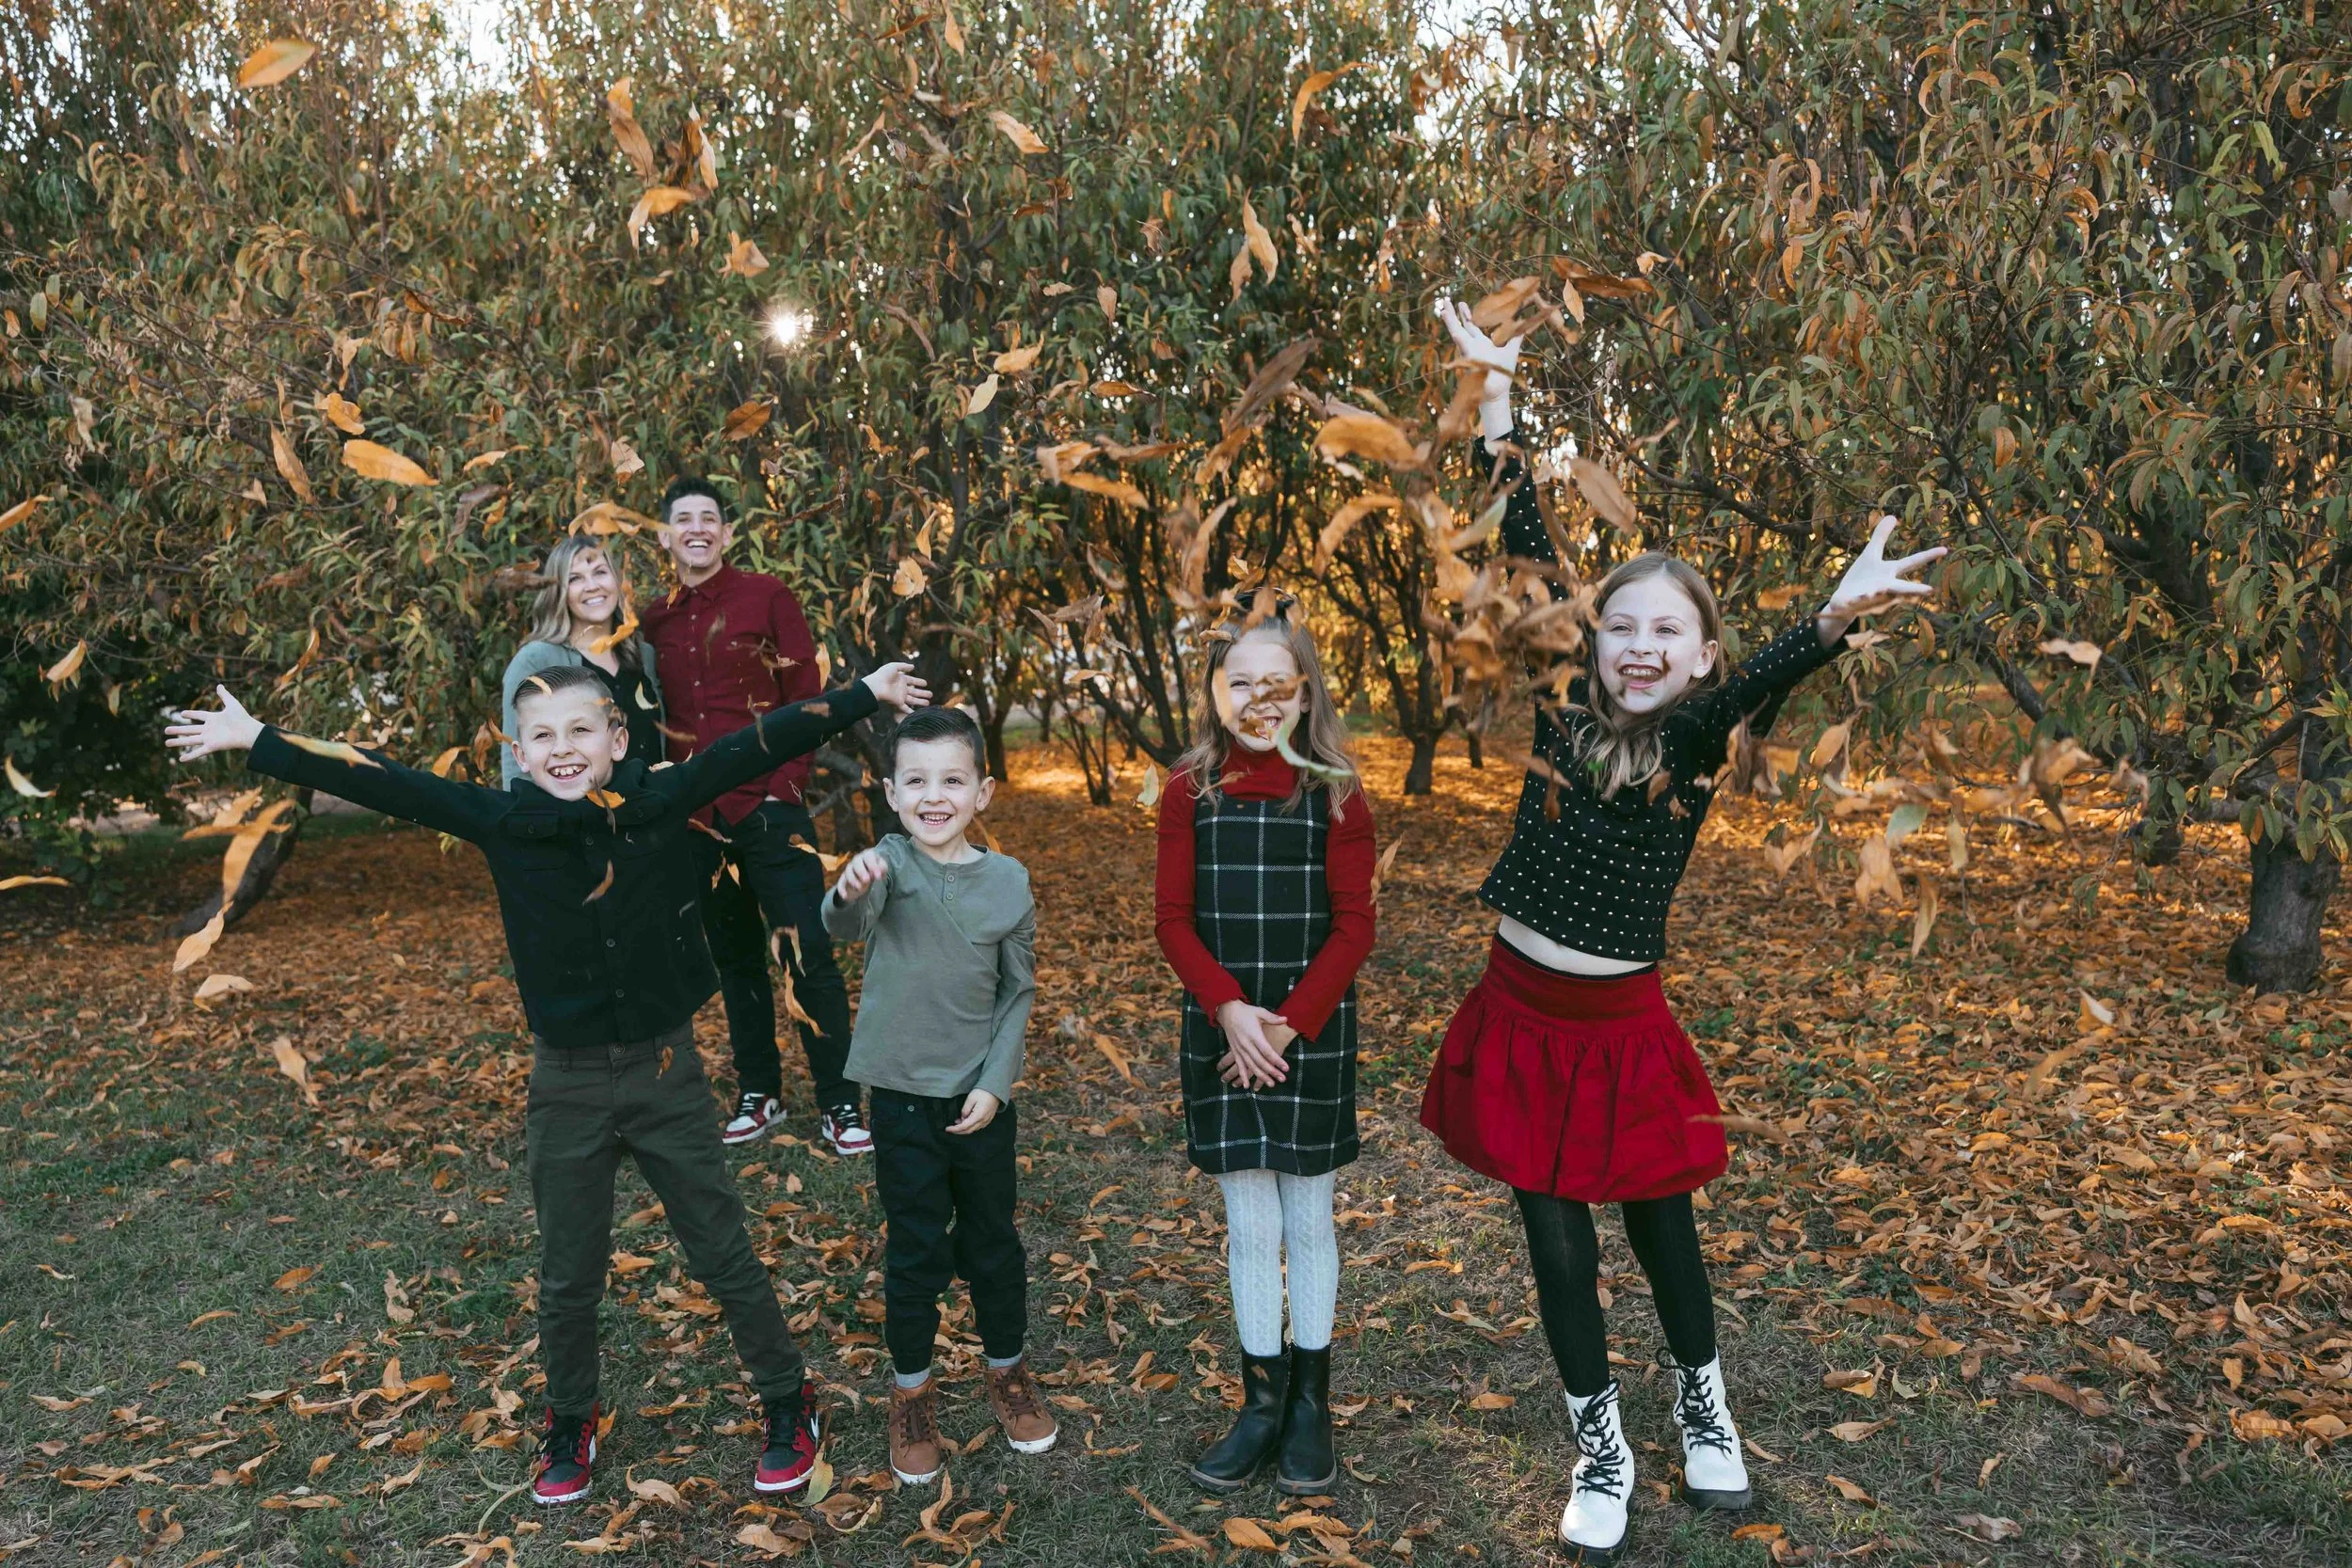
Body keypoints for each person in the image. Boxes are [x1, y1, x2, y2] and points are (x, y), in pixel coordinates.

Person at [1422, 298, 1946, 1561]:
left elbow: (1768, 675)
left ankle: (1702, 1397)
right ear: (1588, 643)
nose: (1640, 644)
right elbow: (1531, 549)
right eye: (1622, 625)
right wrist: (1496, 401)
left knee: (1661, 1223)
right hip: (1521, 1008)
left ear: (1702, 657)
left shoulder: (1694, 742)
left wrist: (1825, 621)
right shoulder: (1560, 709)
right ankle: (1598, 1435)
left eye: (1670, 632)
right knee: (1553, 1231)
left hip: (1622, 1022)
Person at [164, 658, 930, 1509]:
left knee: (721, 1249)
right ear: (519, 754)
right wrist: (259, 738)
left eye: (579, 730)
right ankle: (573, 1416)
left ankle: (789, 1397)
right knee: (569, 1272)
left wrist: (867, 694)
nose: (563, 749)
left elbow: (759, 740)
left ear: (617, 737)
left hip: (665, 1070)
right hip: (563, 1082)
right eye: (542, 736)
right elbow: (384, 780)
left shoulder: (662, 800)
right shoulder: (503, 819)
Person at [1152, 593, 1376, 1497]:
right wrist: (1231, 1013)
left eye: (1274, 682)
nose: (1256, 697)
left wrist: (1284, 1022)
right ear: (1214, 691)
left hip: (1307, 1031)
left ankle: (1311, 1404)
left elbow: (1355, 927)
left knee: (1307, 1216)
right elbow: (1173, 920)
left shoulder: (1337, 790)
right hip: (1224, 1028)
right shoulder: (1188, 788)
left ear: (1305, 689)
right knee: (1249, 1220)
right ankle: (1258, 1401)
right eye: (1237, 681)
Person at [819, 705, 1055, 1486]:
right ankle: (912, 1391)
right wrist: (846, 887)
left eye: (951, 779)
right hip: (900, 1098)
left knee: (992, 1240)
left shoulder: (1009, 880)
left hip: (978, 1102)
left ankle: (1008, 1370)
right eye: (915, 779)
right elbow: (844, 926)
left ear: (982, 790)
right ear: (891, 790)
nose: (934, 794)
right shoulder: (887, 864)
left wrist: (995, 1083)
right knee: (916, 1247)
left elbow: (1017, 993)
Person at [643, 476, 867, 1155]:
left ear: (727, 533)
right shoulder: (652, 621)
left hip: (770, 807)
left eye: (709, 518)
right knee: (735, 959)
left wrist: (785, 785)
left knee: (808, 957)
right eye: (683, 519)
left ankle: (840, 1105)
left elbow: (806, 696)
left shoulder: (766, 595)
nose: (697, 529)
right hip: (698, 821)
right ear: (665, 537)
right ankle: (760, 1092)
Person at [500, 534, 663, 787]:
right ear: (559, 591)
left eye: (600, 572)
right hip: (576, 820)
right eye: (575, 578)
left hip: (653, 814)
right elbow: (516, 766)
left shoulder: (643, 655)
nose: (592, 586)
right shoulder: (537, 660)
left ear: (617, 580)